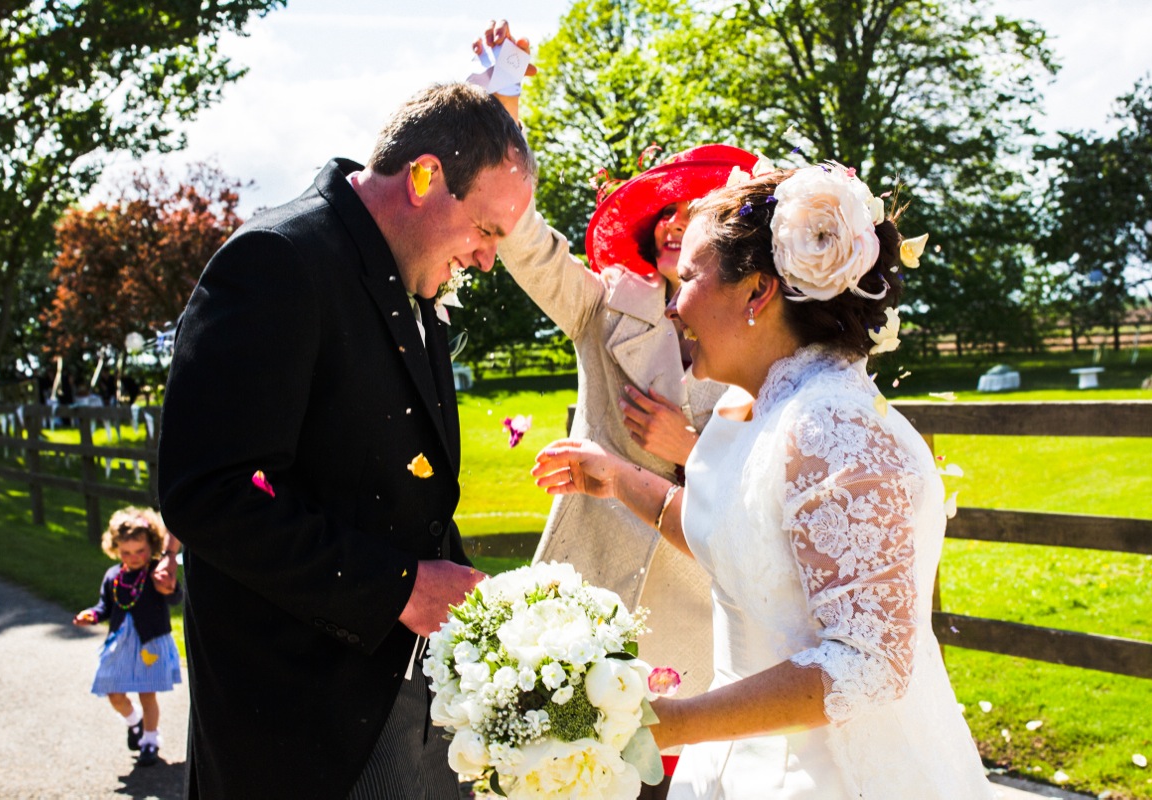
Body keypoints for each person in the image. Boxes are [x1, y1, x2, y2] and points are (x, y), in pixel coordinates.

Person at [532, 164, 994, 798]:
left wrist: (674, 723)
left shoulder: (836, 429)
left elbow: (869, 664)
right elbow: (739, 538)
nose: (673, 304)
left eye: (690, 279)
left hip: (828, 776)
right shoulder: (746, 405)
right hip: (733, 764)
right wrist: (616, 479)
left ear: (757, 292)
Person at [157, 82, 534, 799]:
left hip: (403, 705)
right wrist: (399, 587)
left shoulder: (411, 276)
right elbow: (205, 495)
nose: (487, 260)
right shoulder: (276, 262)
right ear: (423, 177)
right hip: (297, 724)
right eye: (485, 230)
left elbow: (401, 492)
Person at [480, 19, 745, 715]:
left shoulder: (765, 333)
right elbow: (526, 242)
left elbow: (781, 469)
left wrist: (688, 448)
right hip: (588, 590)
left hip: (702, 607)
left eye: (697, 213)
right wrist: (506, 105)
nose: (673, 222)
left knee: (673, 766)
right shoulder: (602, 309)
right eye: (667, 211)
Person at [74, 506, 183, 768]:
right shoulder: (114, 576)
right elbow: (105, 608)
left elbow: (176, 597)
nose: (134, 558)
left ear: (152, 545)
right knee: (113, 691)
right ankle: (134, 722)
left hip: (150, 643)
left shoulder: (156, 571)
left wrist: (168, 588)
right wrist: (91, 614)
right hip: (121, 643)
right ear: (115, 549)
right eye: (126, 552)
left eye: (140, 551)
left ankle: (150, 741)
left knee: (148, 693)